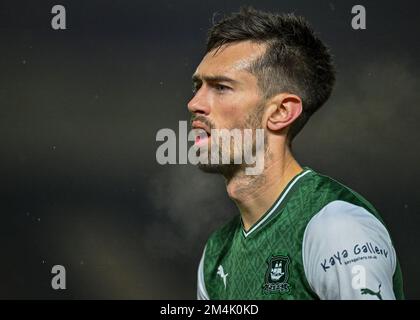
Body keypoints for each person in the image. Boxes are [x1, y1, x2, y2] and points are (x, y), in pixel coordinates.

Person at [188, 7, 404, 300]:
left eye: (221, 87)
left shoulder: (337, 229)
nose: (194, 103)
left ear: (280, 112)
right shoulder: (215, 256)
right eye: (197, 86)